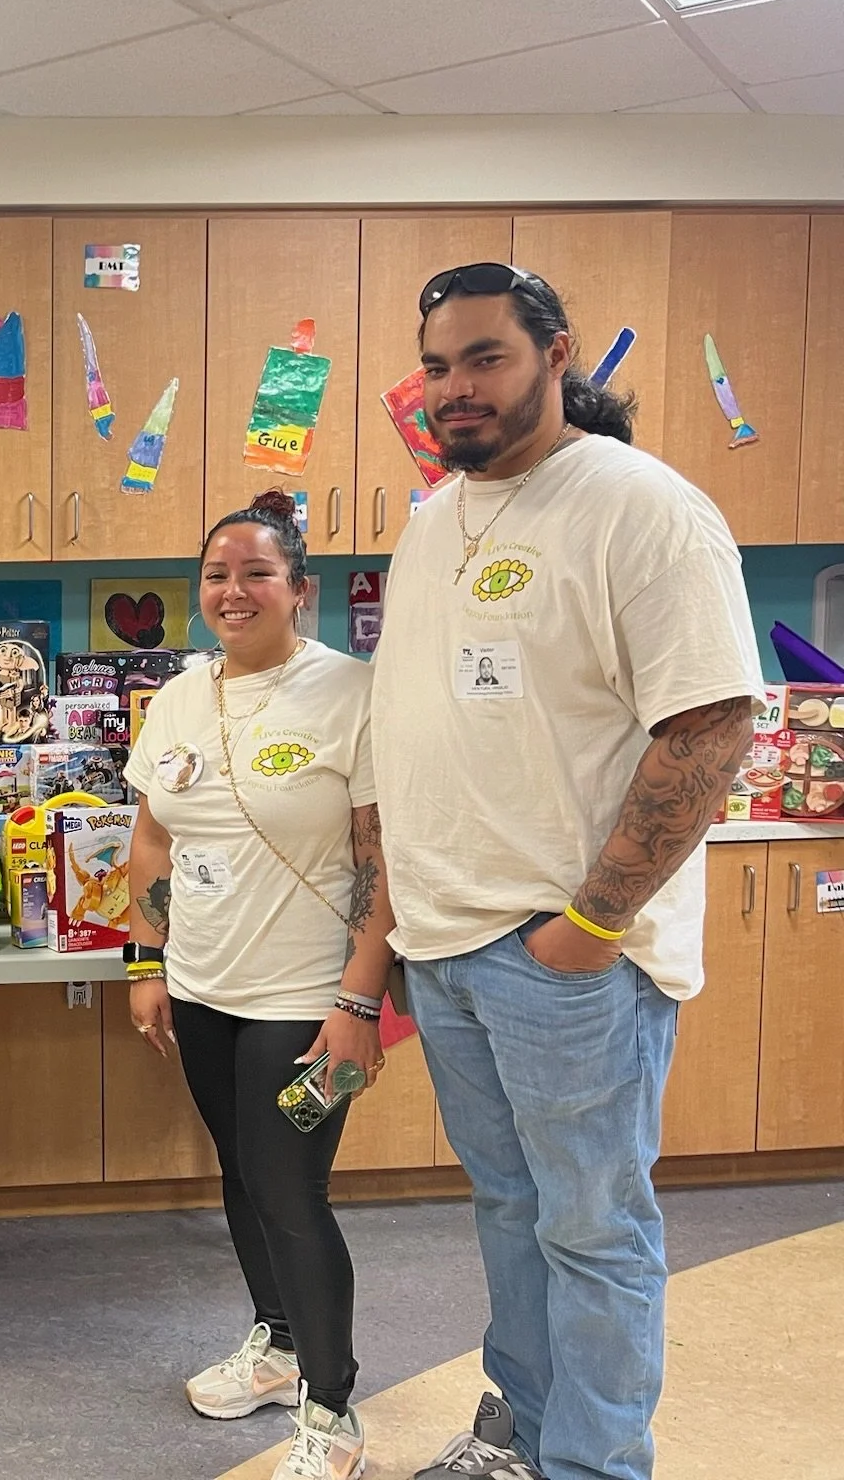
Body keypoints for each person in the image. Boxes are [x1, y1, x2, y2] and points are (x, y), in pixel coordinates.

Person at [374, 265, 761, 1480]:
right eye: (436, 365)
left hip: (560, 952)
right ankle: (527, 1445)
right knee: (509, 1216)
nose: (454, 388)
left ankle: (595, 1468)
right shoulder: (436, 512)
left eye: (483, 357)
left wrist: (589, 923)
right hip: (447, 947)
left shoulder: (637, 504)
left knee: (591, 1230)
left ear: (554, 353)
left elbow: (707, 725)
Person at [123, 490, 396, 1480]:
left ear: (297, 588)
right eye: (215, 575)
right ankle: (276, 1348)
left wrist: (358, 1001)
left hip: (305, 1001)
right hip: (201, 990)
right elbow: (150, 840)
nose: (232, 591)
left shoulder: (349, 692)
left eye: (255, 573)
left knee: (288, 1191)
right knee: (239, 1175)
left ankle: (331, 1413)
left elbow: (380, 859)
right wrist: (145, 962)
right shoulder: (179, 697)